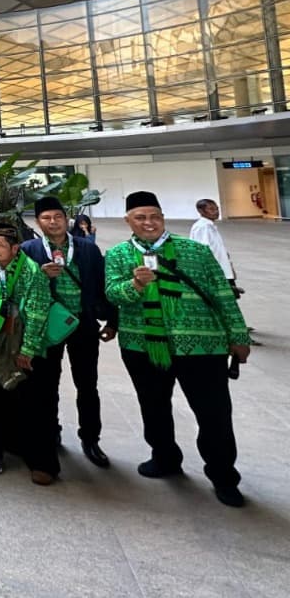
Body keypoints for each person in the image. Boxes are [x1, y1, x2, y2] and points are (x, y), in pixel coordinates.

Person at [105, 191, 251, 507]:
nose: (148, 223)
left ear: (163, 217)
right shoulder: (117, 255)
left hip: (203, 346)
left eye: (154, 216)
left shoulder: (195, 252)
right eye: (140, 217)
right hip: (142, 346)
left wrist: (238, 336)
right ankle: (164, 456)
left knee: (214, 413)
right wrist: (136, 286)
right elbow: (113, 295)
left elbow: (222, 295)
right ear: (127, 221)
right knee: (153, 406)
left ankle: (223, 474)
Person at [22, 197, 118, 468]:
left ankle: (90, 438)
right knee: (45, 384)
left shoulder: (87, 249)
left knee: (87, 384)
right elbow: (20, 287)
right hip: (47, 327)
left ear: (66, 219)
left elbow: (102, 285)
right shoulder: (30, 249)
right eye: (46, 218)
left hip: (83, 324)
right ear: (38, 222)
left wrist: (112, 321)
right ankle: (50, 431)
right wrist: (40, 275)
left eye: (57, 217)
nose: (52, 222)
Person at [0, 223, 53, 483]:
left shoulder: (32, 272)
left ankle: (41, 462)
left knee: (32, 403)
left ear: (15, 248)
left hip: (23, 344)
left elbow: (37, 313)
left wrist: (28, 349)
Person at [189, 199, 238, 294]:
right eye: (211, 209)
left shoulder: (209, 226)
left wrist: (229, 267)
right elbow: (203, 250)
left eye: (217, 209)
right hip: (215, 273)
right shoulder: (203, 227)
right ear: (201, 211)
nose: (216, 212)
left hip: (222, 270)